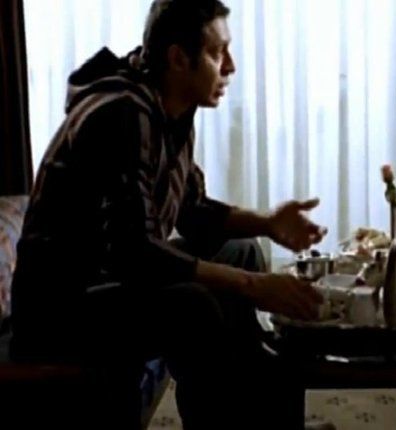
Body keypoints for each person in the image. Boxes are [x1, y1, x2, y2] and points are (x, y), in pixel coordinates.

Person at [9, 0, 335, 429]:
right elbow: (136, 251)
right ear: (179, 58)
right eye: (218, 52)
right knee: (192, 305)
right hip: (59, 310)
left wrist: (266, 223)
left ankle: (260, 420)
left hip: (110, 281)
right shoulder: (121, 113)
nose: (231, 66)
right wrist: (253, 286)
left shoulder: (170, 109)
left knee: (242, 251)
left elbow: (192, 212)